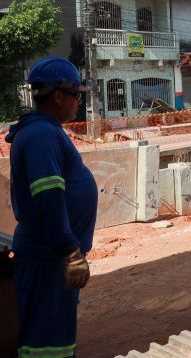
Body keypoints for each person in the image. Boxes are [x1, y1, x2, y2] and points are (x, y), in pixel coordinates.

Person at [7, 57, 97, 357]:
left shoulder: (44, 131)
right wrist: (69, 252)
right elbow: (48, 197)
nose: (78, 101)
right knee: (47, 342)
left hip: (52, 257)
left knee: (55, 336)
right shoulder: (41, 135)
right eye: (76, 94)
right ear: (59, 96)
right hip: (49, 258)